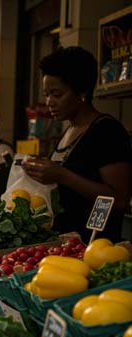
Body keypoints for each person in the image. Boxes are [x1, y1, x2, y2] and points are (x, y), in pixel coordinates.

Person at [23, 46, 132, 241]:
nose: (49, 102)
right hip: (63, 245)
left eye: (57, 94)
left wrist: (62, 175)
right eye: (47, 94)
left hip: (95, 249)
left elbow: (119, 199)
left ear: (82, 91)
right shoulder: (70, 129)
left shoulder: (106, 131)